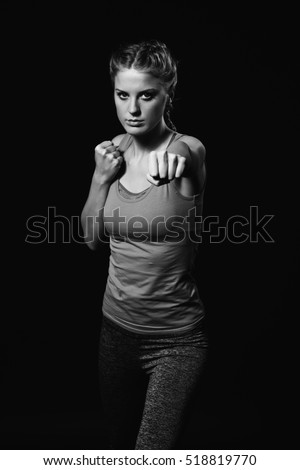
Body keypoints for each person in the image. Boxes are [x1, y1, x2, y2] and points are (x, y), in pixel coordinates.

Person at [81, 39, 208, 450]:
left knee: (151, 454)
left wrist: (179, 162)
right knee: (119, 448)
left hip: (176, 341)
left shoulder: (187, 151)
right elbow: (90, 240)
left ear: (167, 93)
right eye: (123, 95)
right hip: (114, 331)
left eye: (146, 95)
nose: (132, 109)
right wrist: (101, 179)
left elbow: (189, 158)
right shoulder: (111, 152)